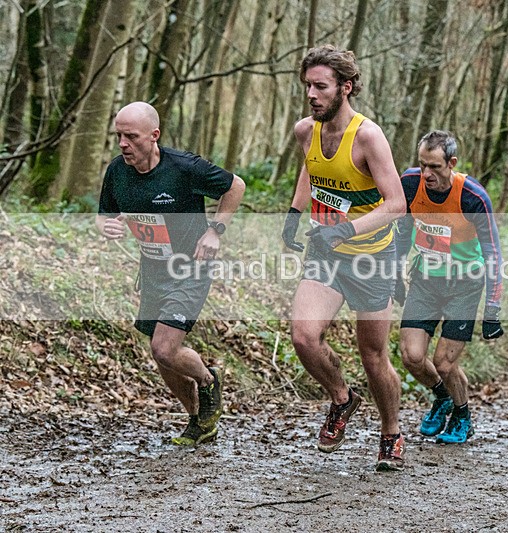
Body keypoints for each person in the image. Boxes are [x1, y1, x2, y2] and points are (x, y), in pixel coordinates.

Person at [281, 45, 407, 471]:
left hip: (372, 256)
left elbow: (396, 204)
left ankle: (390, 432)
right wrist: (295, 214)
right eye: (307, 87)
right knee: (303, 336)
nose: (312, 95)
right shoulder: (306, 130)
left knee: (373, 356)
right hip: (327, 254)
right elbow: (310, 169)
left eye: (320, 87)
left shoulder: (367, 136)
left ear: (345, 88)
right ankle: (342, 397)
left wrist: (345, 229)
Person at [96, 101, 245, 446]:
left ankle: (209, 381)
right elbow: (104, 215)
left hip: (190, 266)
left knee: (165, 348)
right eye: (118, 135)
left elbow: (235, 186)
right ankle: (199, 421)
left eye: (130, 136)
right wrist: (107, 227)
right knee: (160, 353)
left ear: (154, 135)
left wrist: (214, 232)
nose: (122, 144)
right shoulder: (117, 171)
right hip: (153, 270)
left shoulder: (184, 167)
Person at [395, 130, 503, 444]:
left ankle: (462, 415)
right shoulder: (410, 183)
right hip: (425, 281)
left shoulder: (472, 196)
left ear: (452, 163)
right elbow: (403, 230)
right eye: (422, 164)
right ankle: (443, 398)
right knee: (412, 356)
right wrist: (393, 275)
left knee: (444, 362)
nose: (426, 173)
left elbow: (493, 251)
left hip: (464, 286)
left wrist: (493, 309)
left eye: (434, 167)